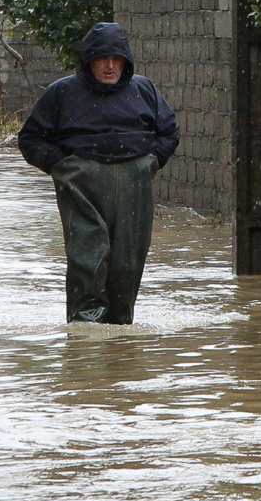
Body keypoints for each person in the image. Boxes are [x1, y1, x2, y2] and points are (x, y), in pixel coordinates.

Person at [19, 22, 179, 324]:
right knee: (87, 256)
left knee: (127, 262)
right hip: (82, 184)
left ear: (126, 62)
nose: (109, 66)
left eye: (116, 59)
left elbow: (168, 132)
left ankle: (119, 336)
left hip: (134, 183)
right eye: (102, 59)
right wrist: (63, 166)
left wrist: (150, 162)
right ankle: (85, 335)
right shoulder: (62, 93)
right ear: (88, 61)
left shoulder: (144, 90)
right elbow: (31, 139)